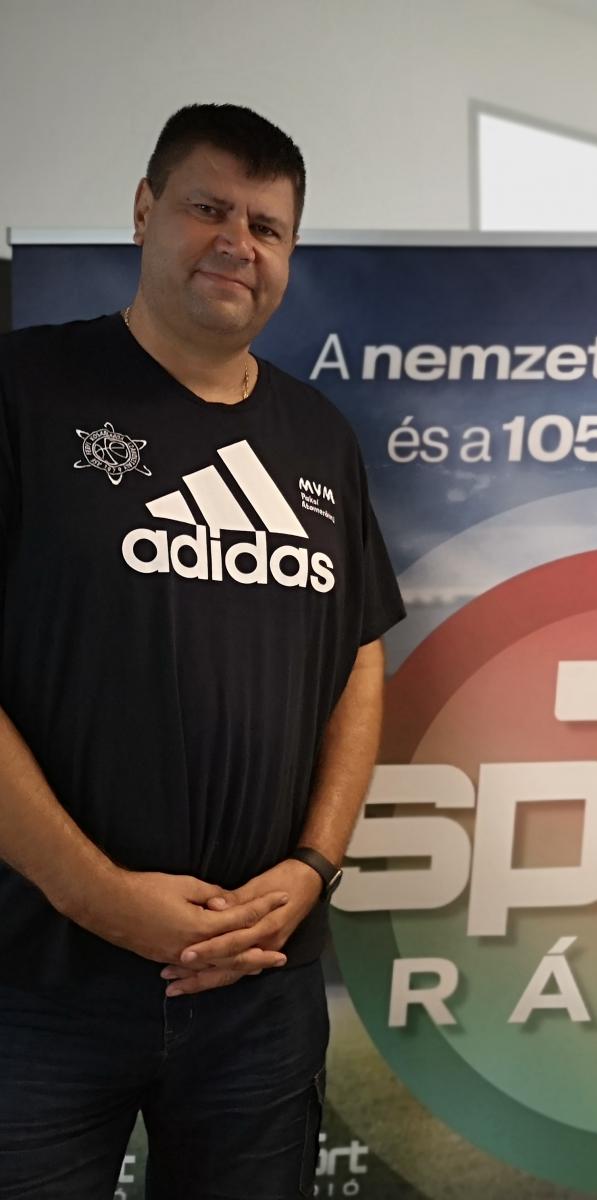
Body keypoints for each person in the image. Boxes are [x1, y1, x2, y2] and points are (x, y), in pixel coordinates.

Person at [0, 104, 404, 1198]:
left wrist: (313, 866)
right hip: (36, 980)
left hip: (258, 990)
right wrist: (96, 893)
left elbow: (358, 660)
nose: (238, 244)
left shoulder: (318, 436)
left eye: (266, 227)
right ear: (144, 211)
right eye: (208, 209)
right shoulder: (25, 390)